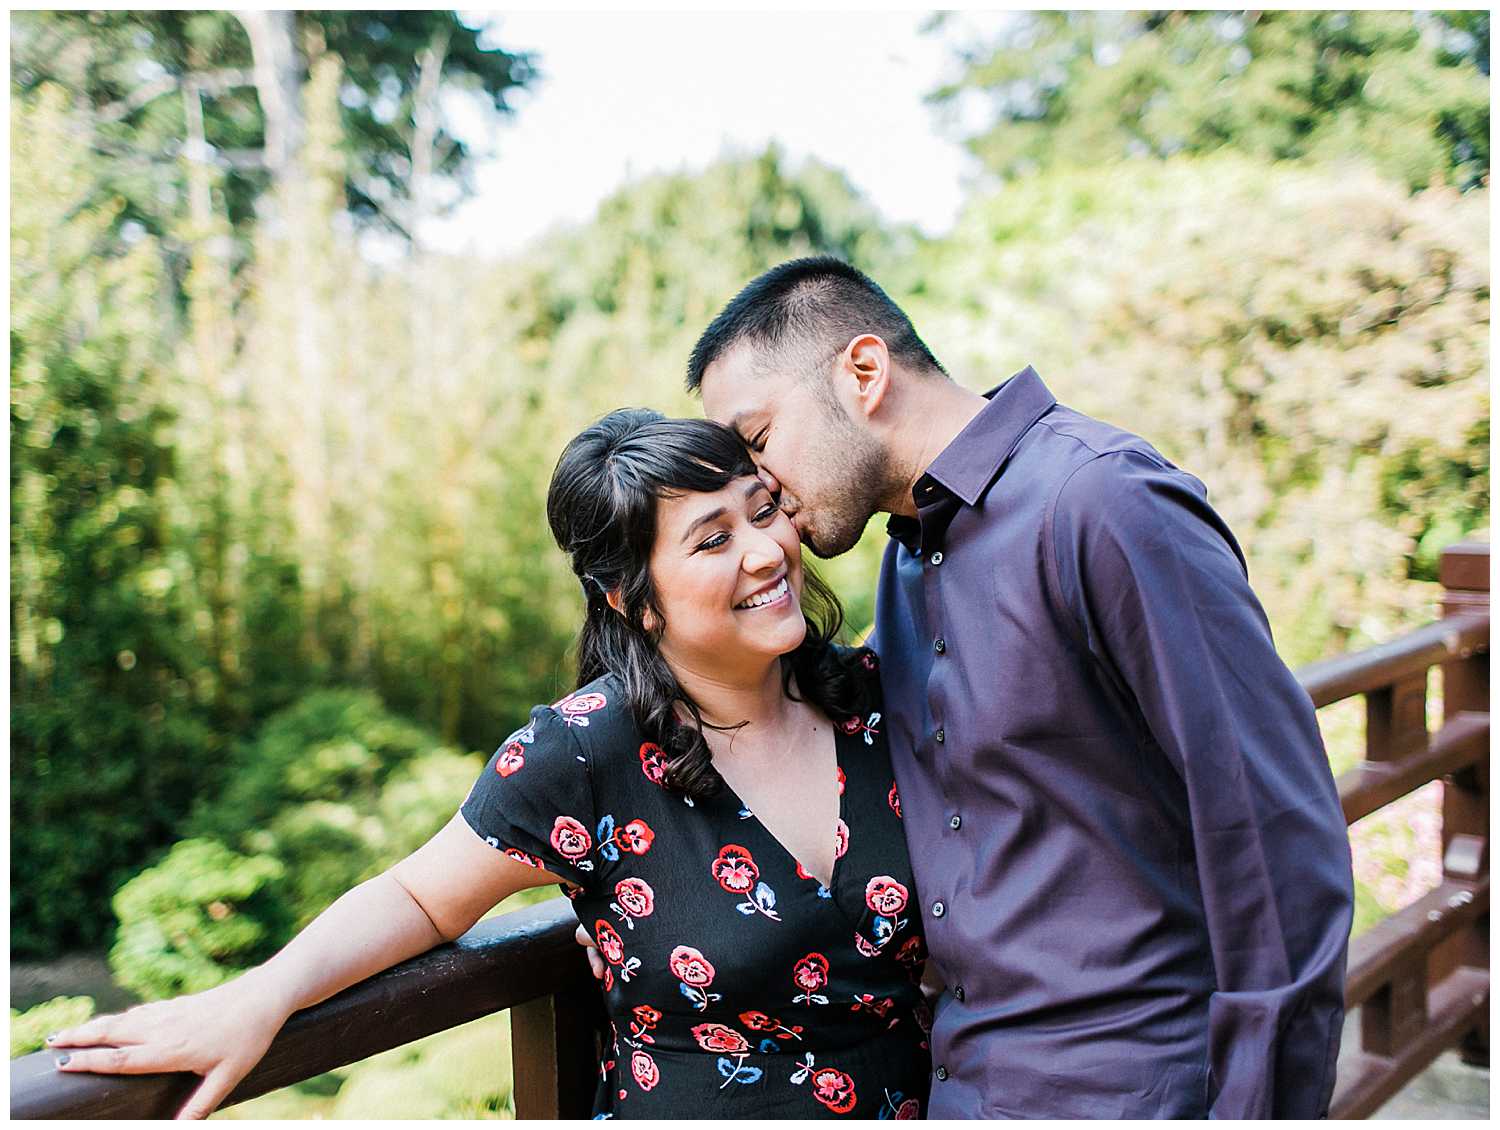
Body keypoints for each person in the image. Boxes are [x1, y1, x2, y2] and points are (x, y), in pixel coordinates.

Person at [47, 409, 931, 1120]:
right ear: (633, 600)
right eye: (711, 539)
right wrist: (260, 995)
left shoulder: (878, 700)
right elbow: (421, 896)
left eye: (762, 508)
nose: (766, 550)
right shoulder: (588, 754)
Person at [678, 256, 1356, 1119]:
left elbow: (1276, 840)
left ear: (863, 372)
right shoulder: (906, 562)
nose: (759, 486)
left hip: (1139, 1093)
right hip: (965, 1089)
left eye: (761, 440)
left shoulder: (1103, 501)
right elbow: (827, 763)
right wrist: (656, 913)